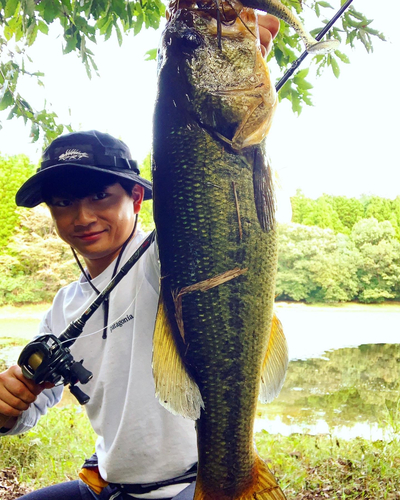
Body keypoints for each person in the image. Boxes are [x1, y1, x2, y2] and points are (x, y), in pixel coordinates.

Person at [0, 14, 279, 500]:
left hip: (188, 488)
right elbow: (27, 413)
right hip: (108, 487)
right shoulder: (65, 305)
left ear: (136, 198)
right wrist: (9, 407)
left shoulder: (167, 258)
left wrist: (244, 52)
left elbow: (217, 212)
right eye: (62, 202)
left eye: (100, 196)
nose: (82, 216)